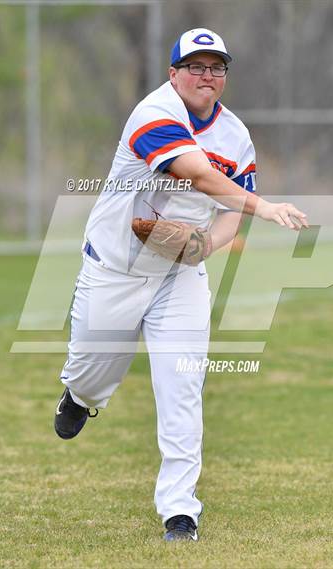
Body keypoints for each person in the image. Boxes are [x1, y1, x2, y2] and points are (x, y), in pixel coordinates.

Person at [54, 28, 308, 542]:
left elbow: (228, 211)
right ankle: (80, 397)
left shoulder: (235, 135)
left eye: (216, 67)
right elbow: (197, 175)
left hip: (179, 276)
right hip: (114, 269)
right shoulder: (154, 113)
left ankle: (179, 512)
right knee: (89, 372)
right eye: (195, 65)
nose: (206, 75)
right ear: (174, 74)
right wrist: (267, 207)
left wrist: (205, 247)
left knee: (183, 385)